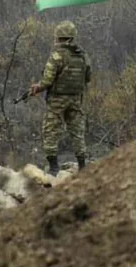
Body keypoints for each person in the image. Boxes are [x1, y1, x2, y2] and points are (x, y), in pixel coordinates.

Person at [29, 20, 91, 176]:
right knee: (77, 132)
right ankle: (82, 166)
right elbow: (88, 77)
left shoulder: (56, 56)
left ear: (58, 37)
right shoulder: (83, 56)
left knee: (50, 131)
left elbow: (47, 80)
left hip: (57, 100)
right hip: (76, 99)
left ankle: (54, 168)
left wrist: (37, 87)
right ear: (72, 36)